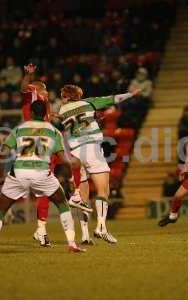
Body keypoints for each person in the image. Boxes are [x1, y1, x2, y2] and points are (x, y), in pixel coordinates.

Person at [0, 101, 85, 256]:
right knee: (62, 204)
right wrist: (70, 176)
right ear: (46, 113)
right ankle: (72, 245)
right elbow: (63, 159)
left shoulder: (19, 129)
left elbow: (2, 154)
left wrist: (2, 177)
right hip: (41, 173)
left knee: (0, 210)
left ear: (31, 112)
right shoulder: (53, 131)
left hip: (19, 173)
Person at [57, 84, 141, 243]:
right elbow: (113, 99)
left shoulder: (61, 112)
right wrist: (131, 94)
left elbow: (66, 130)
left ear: (67, 97)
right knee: (104, 190)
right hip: (91, 149)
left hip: (74, 154)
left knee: (83, 197)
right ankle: (101, 227)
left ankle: (85, 236)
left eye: (63, 96)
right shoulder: (89, 103)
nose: (61, 99)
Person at [20, 64, 89, 247]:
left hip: (45, 142)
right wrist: (28, 76)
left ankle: (73, 193)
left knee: (72, 165)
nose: (47, 90)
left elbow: (49, 118)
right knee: (49, 185)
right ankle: (42, 229)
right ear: (37, 88)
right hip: (39, 143)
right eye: (44, 87)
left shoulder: (45, 106)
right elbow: (23, 88)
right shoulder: (33, 97)